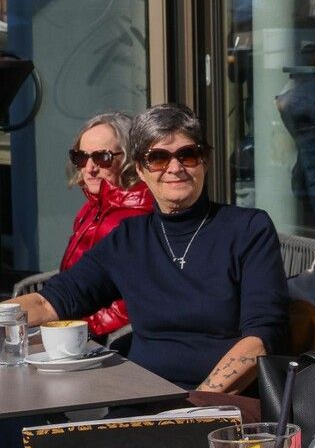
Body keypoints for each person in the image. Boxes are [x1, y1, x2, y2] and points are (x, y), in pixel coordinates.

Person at [7, 104, 288, 391]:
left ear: (205, 161)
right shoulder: (129, 239)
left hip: (225, 408)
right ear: (140, 169)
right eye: (158, 158)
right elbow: (49, 301)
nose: (175, 168)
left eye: (187, 155)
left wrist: (196, 404)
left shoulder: (248, 229)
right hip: (140, 395)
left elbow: (260, 339)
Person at [59, 111, 153, 338]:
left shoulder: (137, 217)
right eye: (81, 158)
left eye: (102, 158)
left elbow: (135, 301)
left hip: (107, 341)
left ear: (130, 159)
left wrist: (79, 329)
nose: (90, 168)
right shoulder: (93, 207)